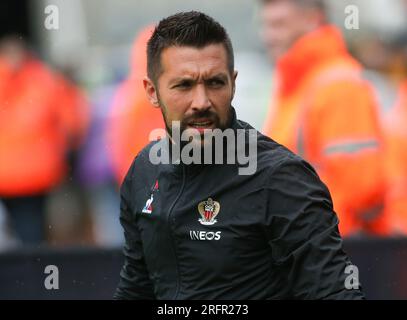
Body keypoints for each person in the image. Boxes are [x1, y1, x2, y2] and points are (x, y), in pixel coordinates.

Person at [114, 11, 364, 300]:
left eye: (215, 83)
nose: (202, 102)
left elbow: (334, 292)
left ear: (232, 84)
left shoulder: (279, 177)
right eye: (184, 85)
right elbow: (136, 285)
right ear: (152, 91)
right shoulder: (144, 171)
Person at [260, 0, 389, 237]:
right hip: (306, 246)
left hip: (331, 249)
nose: (268, 36)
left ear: (313, 19)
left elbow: (362, 190)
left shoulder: (338, 86)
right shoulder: (296, 84)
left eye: (279, 24)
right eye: (266, 25)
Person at [0, 35, 89, 244]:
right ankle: (32, 267)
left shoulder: (41, 82)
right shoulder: (45, 81)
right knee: (33, 229)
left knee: (19, 229)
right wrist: (65, 149)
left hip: (14, 176)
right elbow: (74, 121)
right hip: (38, 174)